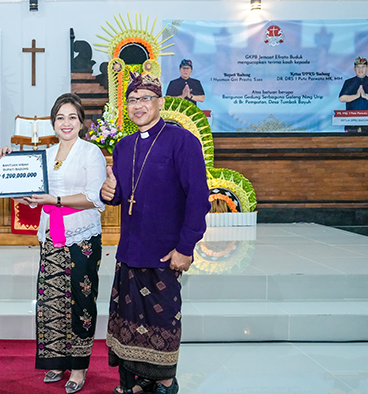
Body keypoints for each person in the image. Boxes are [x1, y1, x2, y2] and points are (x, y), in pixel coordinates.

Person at [101, 73, 211, 394]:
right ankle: (137, 381)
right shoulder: (123, 146)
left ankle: (164, 382)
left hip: (165, 252)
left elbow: (198, 198)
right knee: (130, 324)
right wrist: (109, 192)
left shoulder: (182, 141)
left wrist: (186, 247)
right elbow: (122, 194)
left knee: (162, 322)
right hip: (130, 252)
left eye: (146, 99)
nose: (138, 106)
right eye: (133, 100)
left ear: (160, 103)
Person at [1, 93, 107, 394]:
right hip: (51, 236)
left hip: (81, 236)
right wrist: (3, 182)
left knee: (80, 299)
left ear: (81, 121)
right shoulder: (45, 155)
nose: (66, 123)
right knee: (52, 300)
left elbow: (94, 198)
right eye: (60, 117)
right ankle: (56, 360)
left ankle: (78, 367)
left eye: (72, 117)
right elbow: (31, 198)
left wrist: (56, 200)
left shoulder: (91, 153)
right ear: (53, 122)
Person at [339, 56, 368, 132]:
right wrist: (356, 96)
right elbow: (342, 98)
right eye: (358, 67)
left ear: (367, 68)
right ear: (354, 69)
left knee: (366, 142)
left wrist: (366, 96)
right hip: (351, 122)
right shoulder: (349, 82)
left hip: (367, 121)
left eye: (363, 67)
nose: (360, 69)